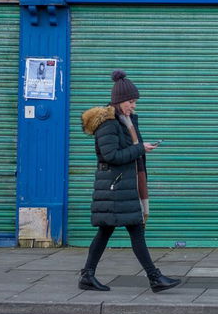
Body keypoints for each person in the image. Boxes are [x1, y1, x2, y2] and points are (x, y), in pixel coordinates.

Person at [78, 70, 182, 293]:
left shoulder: (126, 121)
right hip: (115, 186)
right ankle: (154, 278)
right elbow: (111, 156)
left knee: (108, 231)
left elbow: (131, 151)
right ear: (119, 101)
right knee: (133, 230)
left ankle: (88, 275)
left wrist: (142, 149)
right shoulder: (108, 124)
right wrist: (138, 149)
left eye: (134, 102)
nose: (133, 106)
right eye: (131, 102)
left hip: (124, 185)